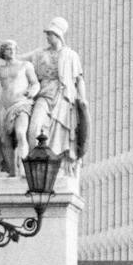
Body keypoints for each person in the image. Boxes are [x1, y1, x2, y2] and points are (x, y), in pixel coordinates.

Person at [26, 16, 88, 185]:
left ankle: (56, 170)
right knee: (34, 129)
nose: (47, 37)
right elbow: (18, 58)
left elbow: (79, 79)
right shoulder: (39, 53)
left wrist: (82, 99)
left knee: (60, 135)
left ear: (58, 35)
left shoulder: (70, 55)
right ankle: (34, 168)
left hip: (63, 96)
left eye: (50, 34)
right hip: (44, 94)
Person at [0, 35, 39, 176]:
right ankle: (12, 172)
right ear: (3, 52)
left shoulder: (25, 66)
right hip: (4, 106)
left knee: (21, 133)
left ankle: (23, 168)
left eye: (13, 48)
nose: (11, 51)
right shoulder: (0, 69)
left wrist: (32, 92)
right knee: (5, 141)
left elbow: (35, 83)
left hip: (21, 103)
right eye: (8, 49)